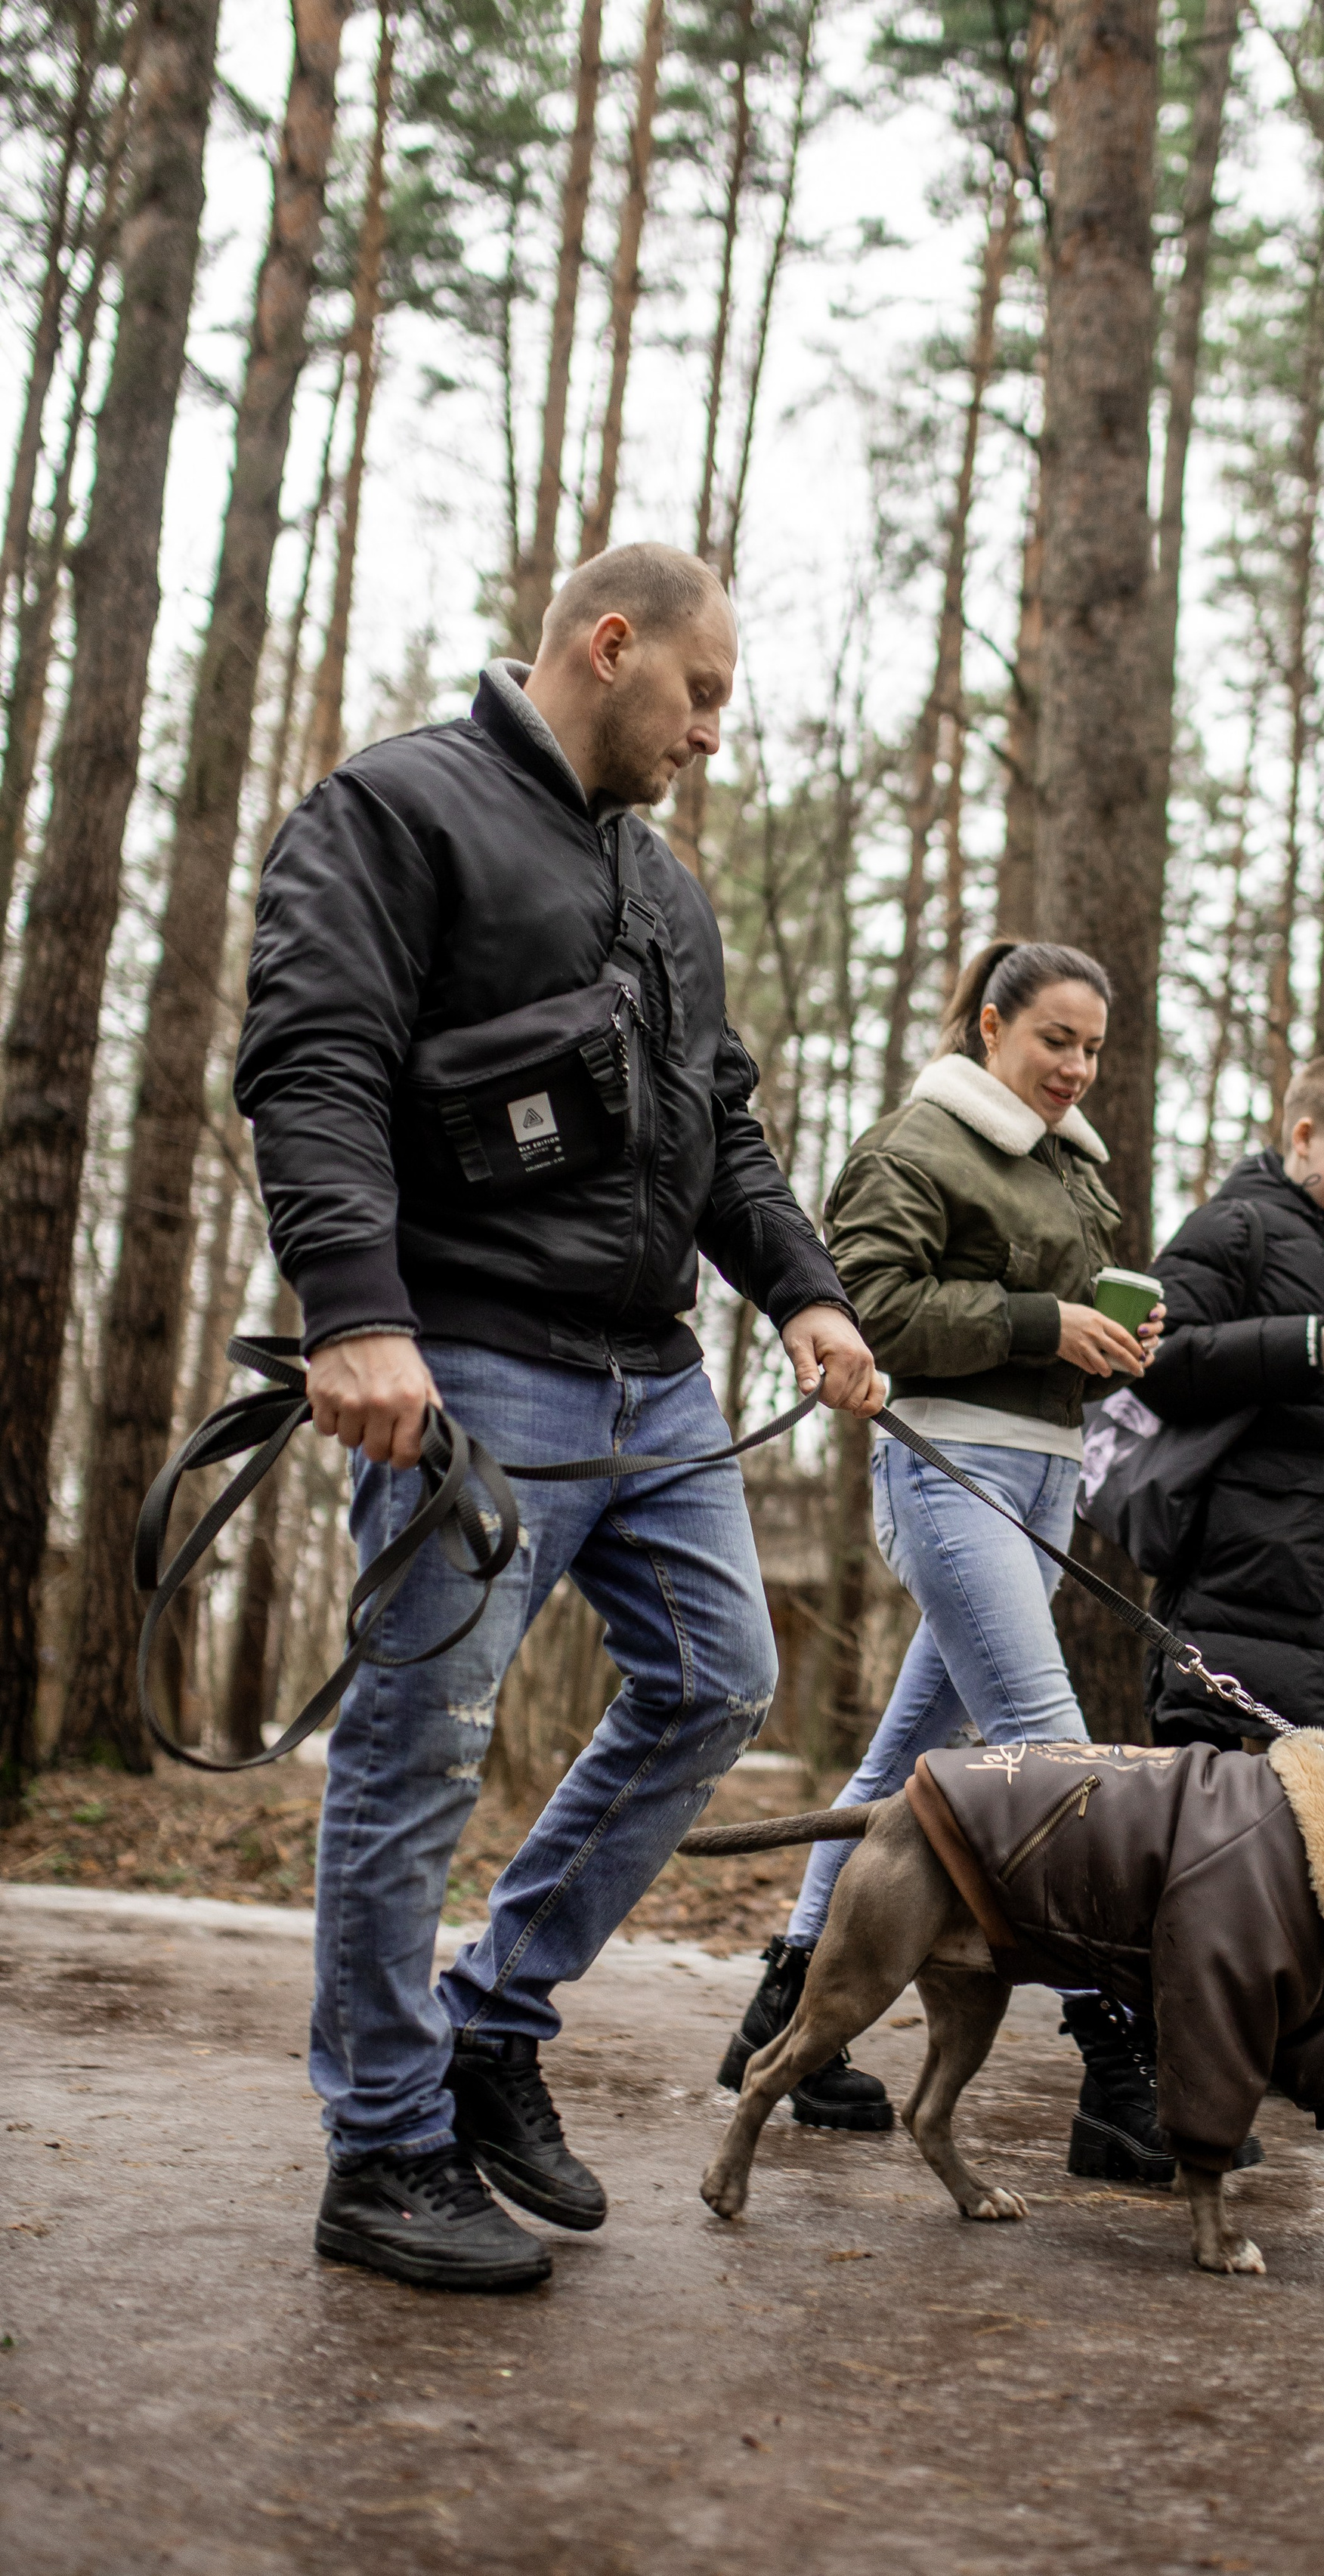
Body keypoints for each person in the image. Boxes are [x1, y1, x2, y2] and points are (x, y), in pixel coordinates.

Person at [234, 542, 883, 2294]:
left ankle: (493, 2021)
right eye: (701, 697)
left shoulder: (667, 890)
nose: (711, 739)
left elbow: (720, 1129)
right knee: (419, 1752)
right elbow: (314, 1063)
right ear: (612, 647)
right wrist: (357, 1318)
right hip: (471, 1368)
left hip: (653, 1375)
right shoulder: (395, 809)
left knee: (717, 1681)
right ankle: (381, 2150)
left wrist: (807, 1291)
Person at [717, 939, 1184, 2182]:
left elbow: (1055, 1315)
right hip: (947, 1466)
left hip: (1044, 1471)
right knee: (1048, 1738)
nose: (1077, 1068)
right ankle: (1118, 2067)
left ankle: (783, 2007)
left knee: (899, 1759)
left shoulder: (1074, 1172)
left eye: (1093, 1048)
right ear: (991, 1027)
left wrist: (1114, 1338)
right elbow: (870, 1305)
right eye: (1054, 1042)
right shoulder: (915, 1146)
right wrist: (1045, 1322)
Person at [1140, 1052, 1324, 1747]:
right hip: (1234, 1598)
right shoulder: (1234, 1228)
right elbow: (1156, 1362)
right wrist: (1308, 1348)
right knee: (1227, 1833)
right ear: (1304, 1138)